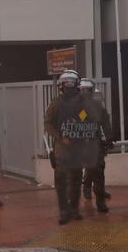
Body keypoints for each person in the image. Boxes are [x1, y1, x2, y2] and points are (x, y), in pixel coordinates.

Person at [44, 70, 103, 224]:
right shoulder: (56, 103)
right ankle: (64, 211)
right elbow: (48, 123)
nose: (69, 86)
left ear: (77, 85)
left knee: (76, 181)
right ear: (61, 86)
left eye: (71, 83)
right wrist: (59, 137)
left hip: (79, 149)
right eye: (66, 83)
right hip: (62, 150)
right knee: (61, 182)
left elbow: (94, 120)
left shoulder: (84, 103)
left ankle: (74, 209)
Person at [78, 80, 114, 213]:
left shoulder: (99, 107)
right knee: (90, 167)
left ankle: (100, 200)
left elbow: (106, 123)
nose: (84, 92)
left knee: (98, 169)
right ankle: (87, 187)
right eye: (82, 90)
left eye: (87, 90)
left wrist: (109, 138)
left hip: (96, 141)